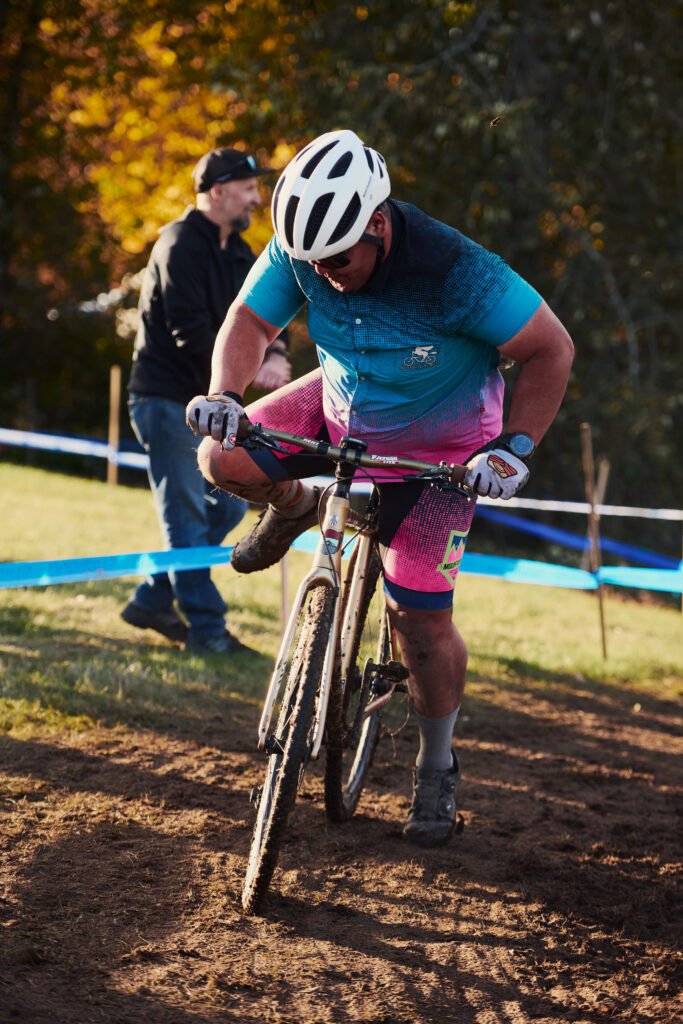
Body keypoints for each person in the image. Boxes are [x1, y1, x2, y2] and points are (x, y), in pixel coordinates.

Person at [185, 129, 574, 840]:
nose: (324, 273)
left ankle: (436, 764)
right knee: (222, 458)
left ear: (377, 222)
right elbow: (250, 318)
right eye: (311, 262)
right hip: (341, 410)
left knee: (418, 623)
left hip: (442, 456)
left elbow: (550, 349)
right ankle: (297, 508)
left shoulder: (458, 272)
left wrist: (514, 449)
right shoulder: (305, 248)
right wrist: (225, 393)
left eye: (338, 259)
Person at [122, 146, 292, 654]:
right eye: (248, 189)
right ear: (217, 191)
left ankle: (152, 599)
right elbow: (190, 332)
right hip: (165, 400)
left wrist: (276, 351)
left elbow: (268, 312)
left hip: (214, 408)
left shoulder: (240, 253)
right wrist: (251, 367)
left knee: (225, 509)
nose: (257, 200)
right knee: (187, 518)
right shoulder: (178, 244)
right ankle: (208, 630)